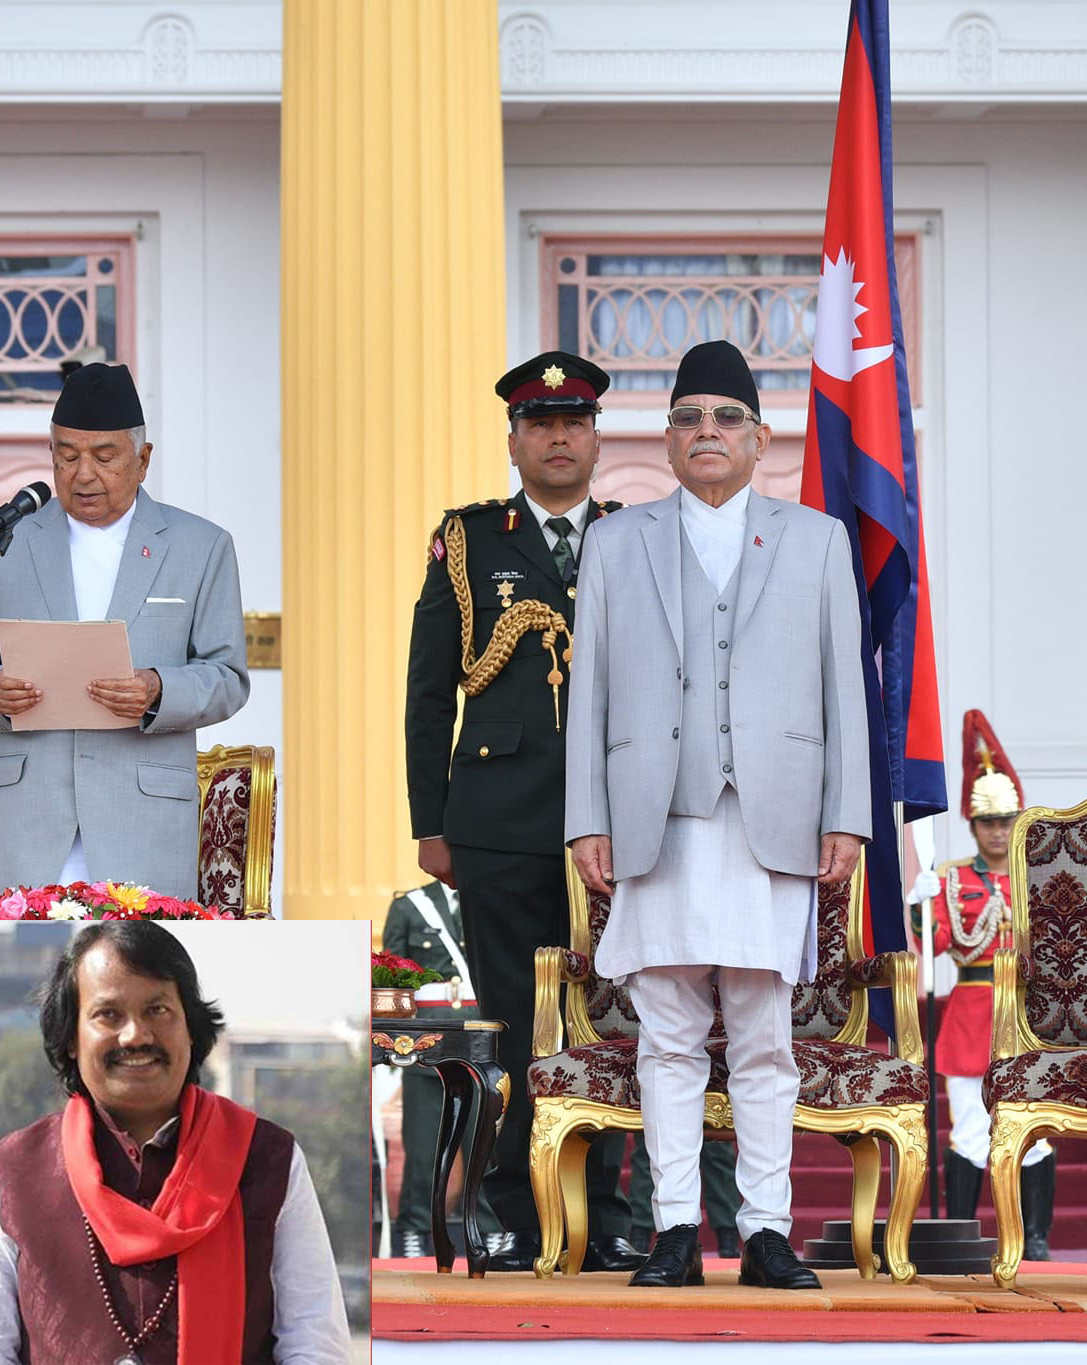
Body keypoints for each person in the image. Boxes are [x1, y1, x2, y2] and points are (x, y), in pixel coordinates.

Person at [567, 339, 869, 1291]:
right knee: (663, 1030)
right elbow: (592, 695)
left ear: (759, 437)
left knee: (763, 1030)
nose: (708, 432)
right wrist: (586, 817)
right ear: (664, 440)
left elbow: (844, 695)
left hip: (771, 817)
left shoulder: (817, 538)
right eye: (690, 417)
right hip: (655, 817)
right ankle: (671, 1231)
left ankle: (767, 1229)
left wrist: (848, 815)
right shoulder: (615, 541)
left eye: (726, 417)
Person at [403, 349, 640, 1274]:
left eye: (573, 423)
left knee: (608, 1016)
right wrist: (431, 820)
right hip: (497, 821)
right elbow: (429, 694)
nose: (557, 437)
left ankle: (607, 1210)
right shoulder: (468, 542)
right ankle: (511, 1210)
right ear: (514, 441)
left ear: (594, 438)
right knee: (511, 1020)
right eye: (540, 424)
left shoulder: (632, 536)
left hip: (621, 828)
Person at [0, 921, 349, 1363]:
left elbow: (316, 1344)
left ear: (191, 1029)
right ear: (71, 1039)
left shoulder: (267, 1159)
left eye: (157, 1010)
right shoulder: (8, 1176)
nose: (135, 1035)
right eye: (108, 1015)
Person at [0, 362, 249, 898]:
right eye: (67, 456)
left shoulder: (202, 546)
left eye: (104, 457)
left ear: (142, 460)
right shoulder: (5, 544)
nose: (83, 473)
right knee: (28, 980)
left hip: (143, 822)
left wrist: (157, 690)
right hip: (30, 823)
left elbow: (227, 677)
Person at [909, 710, 1056, 1256]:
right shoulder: (951, 878)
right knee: (970, 1127)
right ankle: (963, 1232)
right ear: (973, 826)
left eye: (1006, 820)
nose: (998, 831)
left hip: (1026, 1014)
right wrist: (920, 907)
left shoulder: (1039, 873)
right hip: (972, 1010)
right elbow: (937, 944)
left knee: (1034, 1134)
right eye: (988, 822)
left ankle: (1036, 1237)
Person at [379, 879, 503, 1260]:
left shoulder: (491, 896)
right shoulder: (410, 906)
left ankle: (494, 1230)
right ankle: (415, 1230)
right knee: (423, 1150)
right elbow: (392, 974)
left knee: (486, 1146)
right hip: (425, 1045)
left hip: (481, 1041)